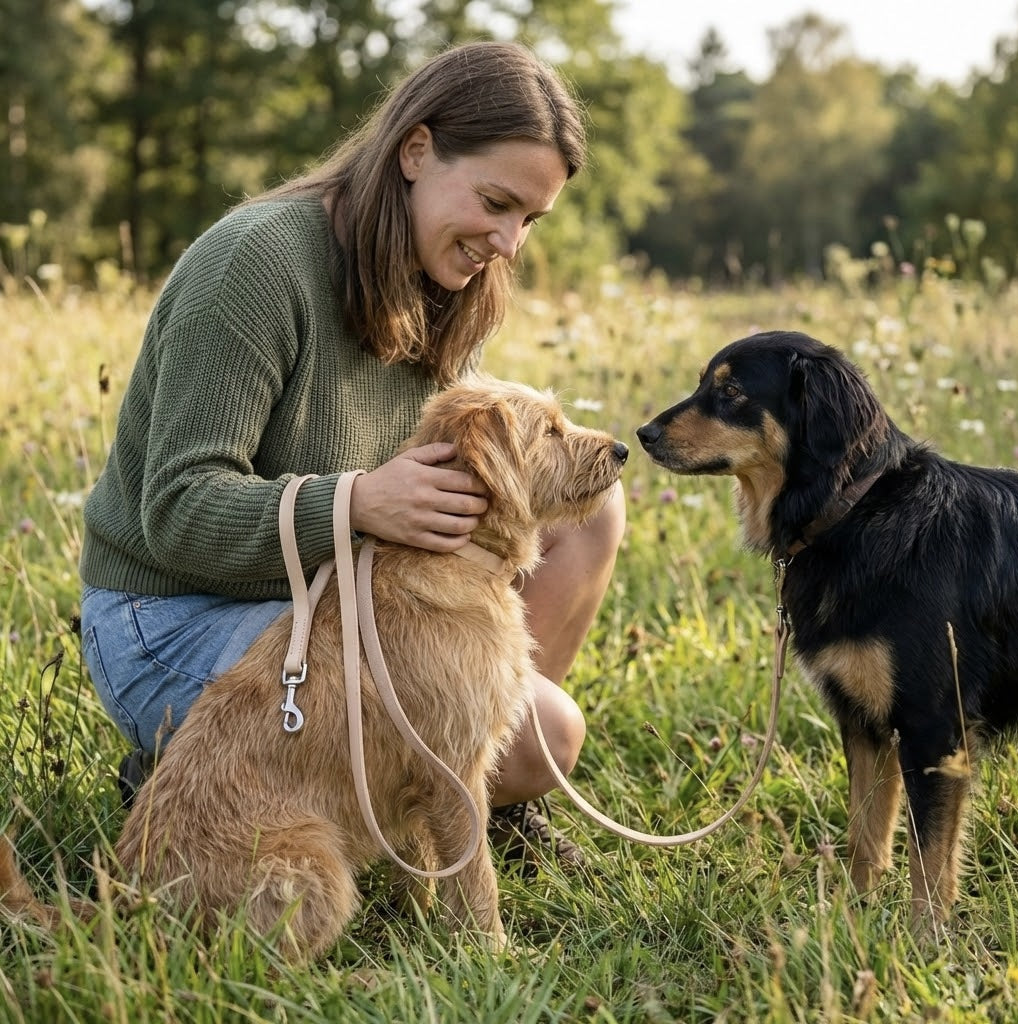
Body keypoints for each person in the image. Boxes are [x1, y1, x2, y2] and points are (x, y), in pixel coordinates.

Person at [79, 40, 625, 872]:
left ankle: (471, 789)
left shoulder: (447, 278)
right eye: (496, 201)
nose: (510, 242)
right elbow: (175, 511)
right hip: (172, 614)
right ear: (416, 150)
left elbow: (478, 475)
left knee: (587, 529)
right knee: (546, 732)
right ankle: (183, 766)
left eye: (530, 219)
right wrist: (357, 502)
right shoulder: (254, 264)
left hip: (341, 603)